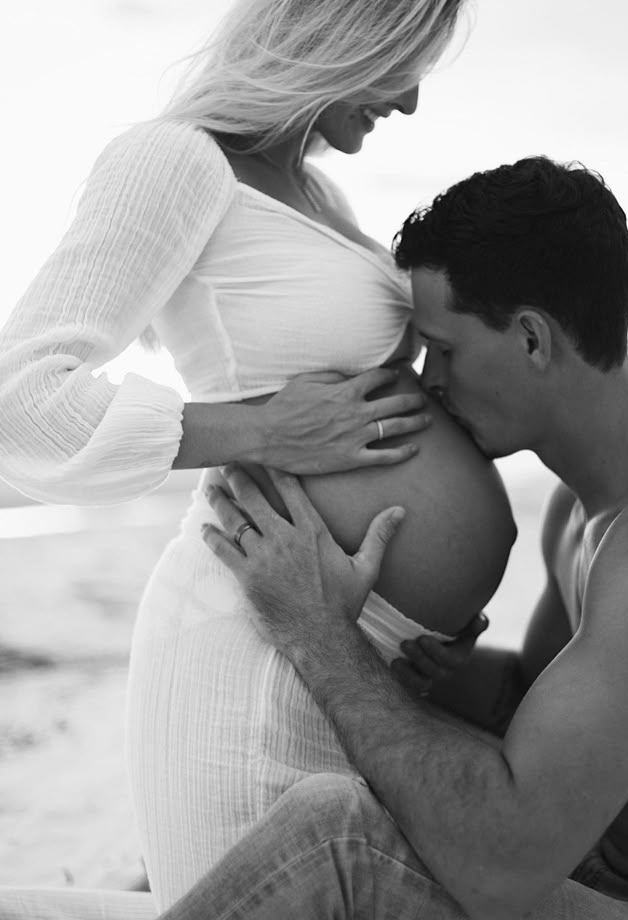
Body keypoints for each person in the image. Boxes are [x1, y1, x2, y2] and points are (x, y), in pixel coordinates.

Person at [0, 0, 518, 910]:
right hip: (250, 662)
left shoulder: (317, 195)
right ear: (341, 30)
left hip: (350, 657)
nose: (409, 103)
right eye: (404, 61)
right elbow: (22, 403)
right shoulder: (172, 160)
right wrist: (263, 431)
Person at [175, 155, 628, 920]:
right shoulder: (586, 507)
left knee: (338, 837)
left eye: (445, 347)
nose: (430, 379)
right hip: (591, 869)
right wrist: (437, 665)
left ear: (532, 340)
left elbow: (502, 868)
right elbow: (546, 711)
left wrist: (318, 630)